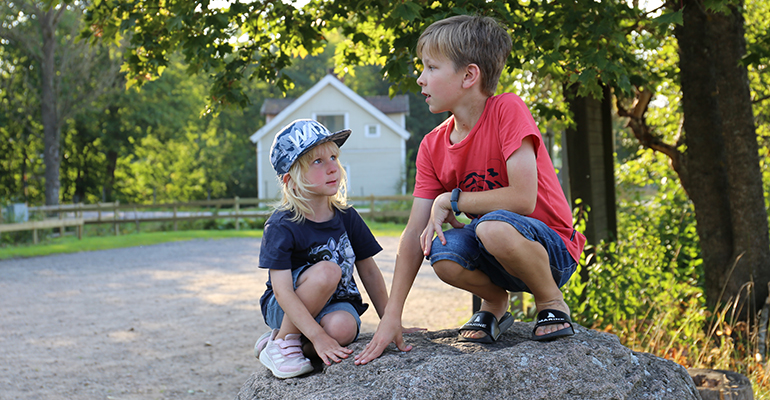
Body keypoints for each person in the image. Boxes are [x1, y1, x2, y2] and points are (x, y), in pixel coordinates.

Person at [355, 15, 586, 365]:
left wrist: (452, 199)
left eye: (431, 67)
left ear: (468, 76)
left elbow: (524, 198)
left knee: (493, 227)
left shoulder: (507, 110)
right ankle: (495, 303)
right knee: (440, 251)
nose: (420, 78)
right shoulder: (432, 145)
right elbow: (414, 230)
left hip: (550, 248)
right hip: (495, 248)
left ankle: (551, 302)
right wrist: (392, 315)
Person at [254, 119, 390, 379]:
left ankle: (281, 343)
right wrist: (316, 334)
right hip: (285, 305)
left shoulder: (346, 216)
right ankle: (285, 340)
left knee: (343, 330)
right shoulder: (282, 224)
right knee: (328, 270)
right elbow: (282, 290)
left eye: (333, 157)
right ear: (290, 179)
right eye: (318, 162)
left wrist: (390, 321)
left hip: (335, 303)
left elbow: (370, 272)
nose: (332, 168)